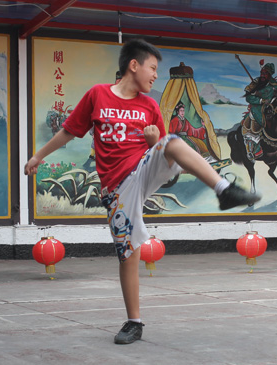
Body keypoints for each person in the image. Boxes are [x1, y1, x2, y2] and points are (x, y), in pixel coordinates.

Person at [24, 39, 260, 345]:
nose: (154, 76)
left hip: (144, 170)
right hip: (117, 188)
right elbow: (70, 130)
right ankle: (134, 322)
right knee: (128, 256)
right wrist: (38, 156)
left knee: (171, 141)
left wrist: (152, 143)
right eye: (152, 68)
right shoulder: (97, 95)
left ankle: (223, 189)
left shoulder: (150, 106)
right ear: (133, 65)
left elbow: (169, 154)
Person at [242, 61, 277, 162]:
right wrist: (260, 99)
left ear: (270, 74)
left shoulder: (274, 85)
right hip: (257, 109)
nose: (262, 75)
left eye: (265, 73)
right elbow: (248, 97)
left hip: (271, 109)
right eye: (261, 73)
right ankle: (252, 149)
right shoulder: (256, 82)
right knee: (250, 126)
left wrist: (270, 100)